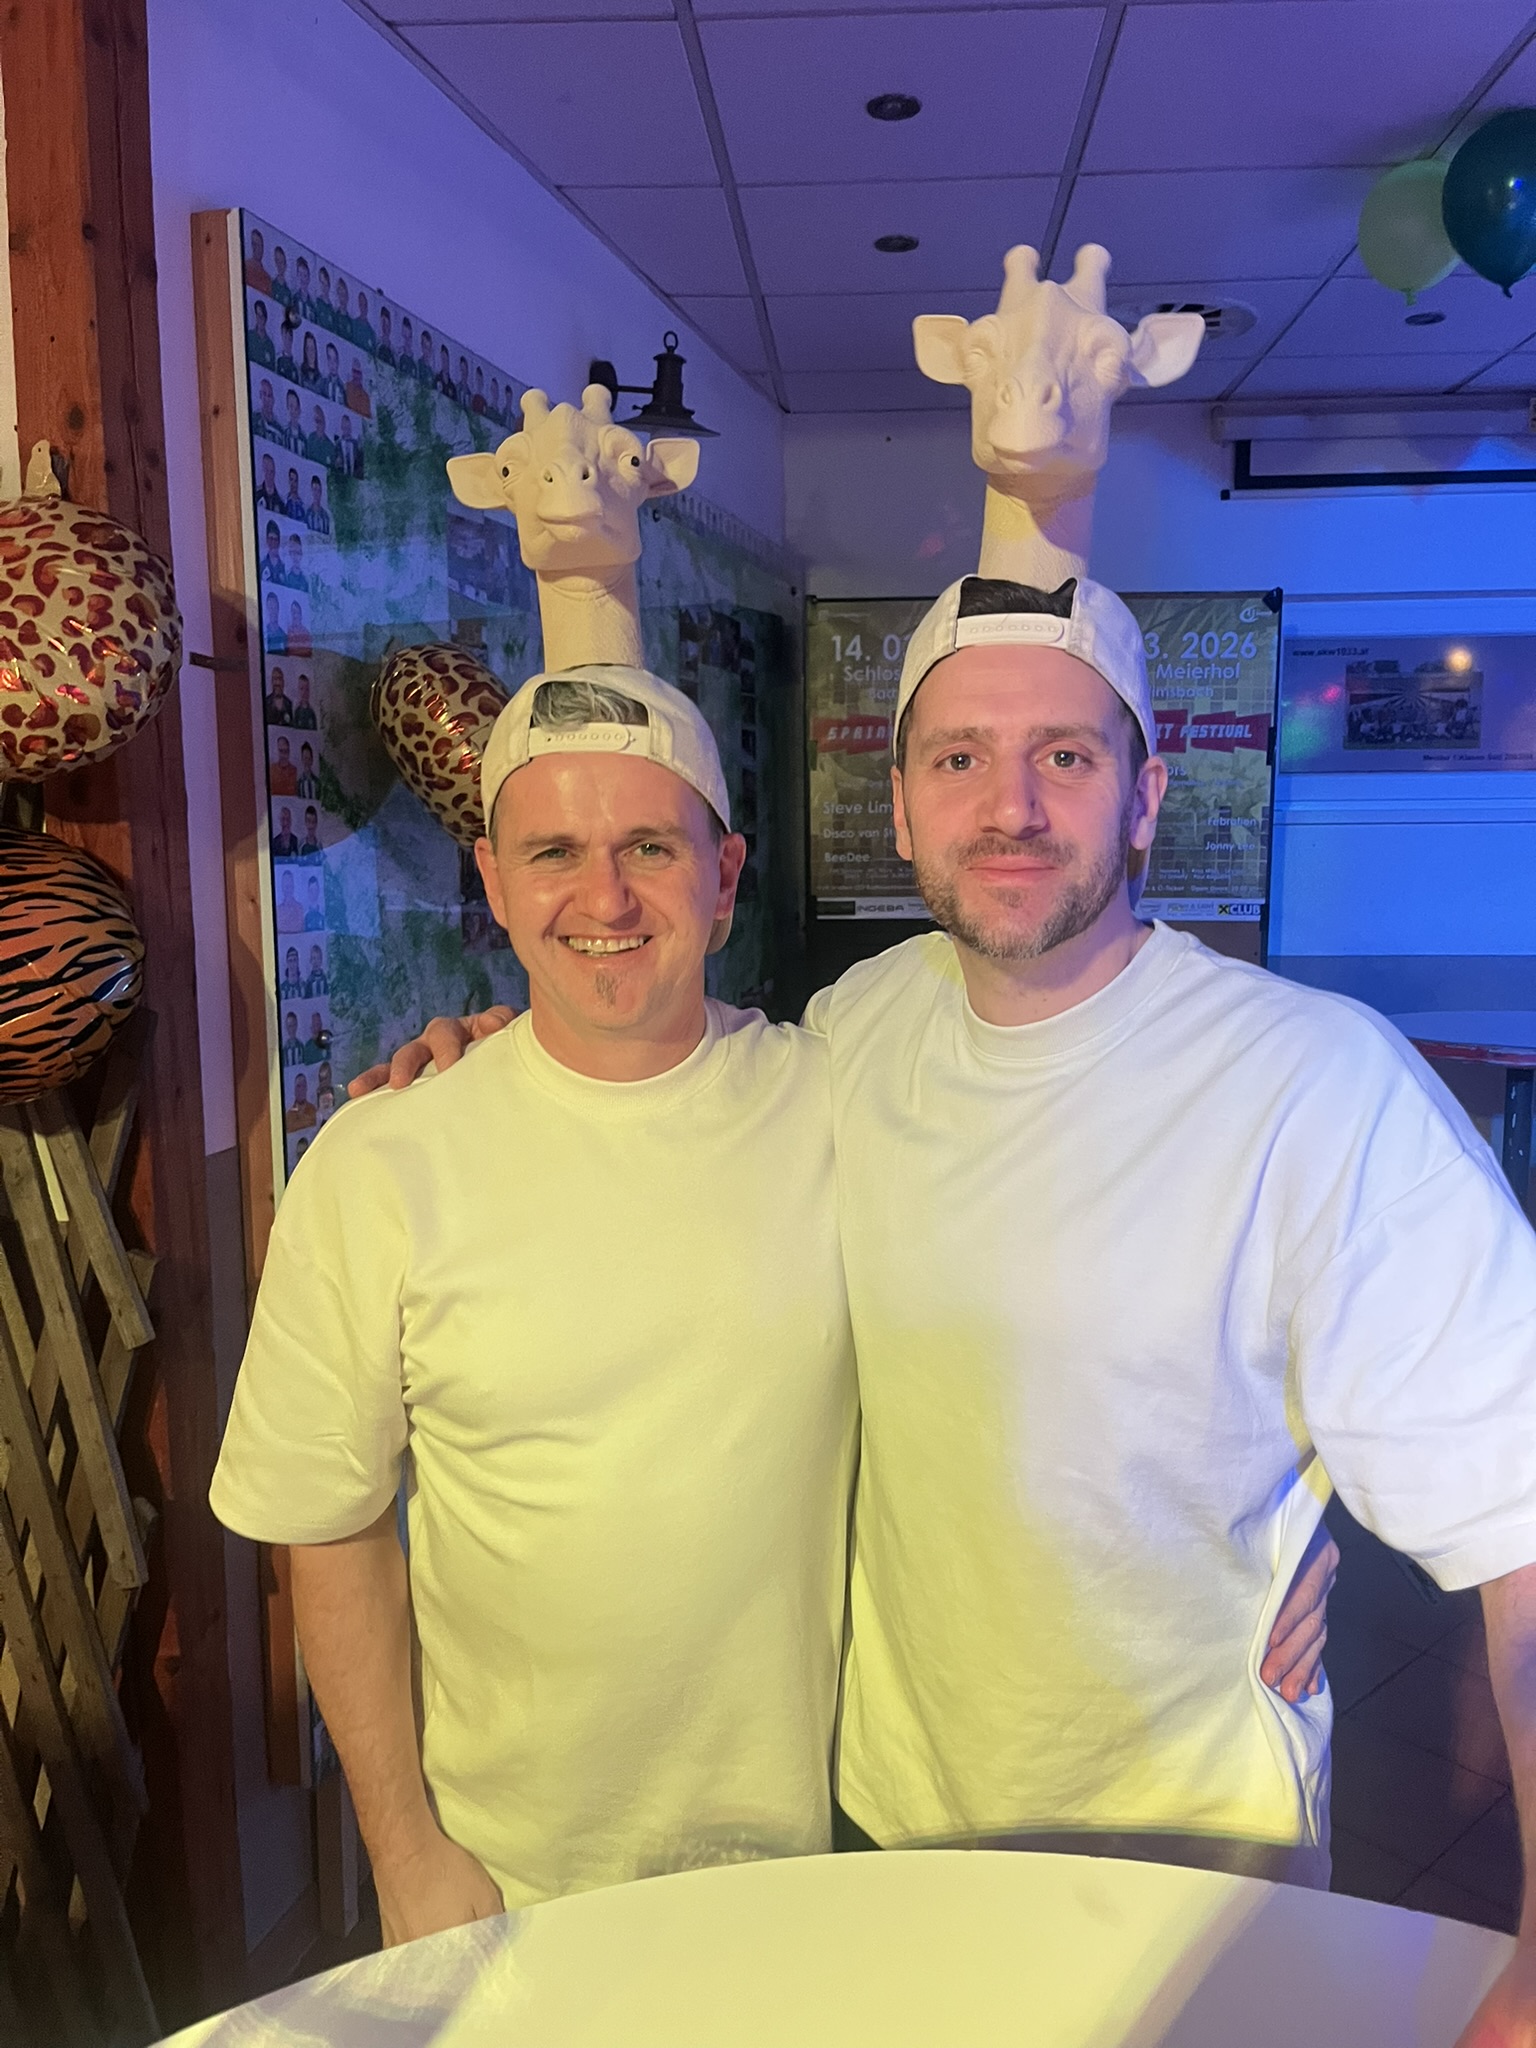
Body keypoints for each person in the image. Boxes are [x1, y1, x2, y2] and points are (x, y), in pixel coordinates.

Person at [368, 580, 1536, 2016]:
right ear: (904, 809)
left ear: (1145, 798)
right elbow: (649, 1103)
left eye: (1066, 755)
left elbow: (1521, 1518)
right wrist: (492, 1064)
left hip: (1186, 1857)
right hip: (885, 1828)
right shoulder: (856, 1033)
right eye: (960, 757)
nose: (1011, 808)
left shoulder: (1320, 1086)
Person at [210, 666, 859, 1940]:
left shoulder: (842, 1104)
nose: (603, 897)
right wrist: (404, 1850)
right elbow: (330, 1529)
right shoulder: (382, 1160)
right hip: (506, 1878)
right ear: (494, 883)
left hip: (809, 1862)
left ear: (724, 877)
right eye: (554, 851)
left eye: (649, 847)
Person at [248, 298, 276, 369]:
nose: (260, 319)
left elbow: (272, 369)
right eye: (258, 315)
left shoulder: (270, 345)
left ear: (265, 318)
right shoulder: (249, 336)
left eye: (262, 316)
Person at [336, 413, 363, 479]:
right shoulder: (338, 444)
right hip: (342, 478)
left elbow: (359, 461)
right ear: (341, 427)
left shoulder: (355, 443)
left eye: (348, 426)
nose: (346, 428)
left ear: (350, 427)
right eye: (344, 426)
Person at [245, 229, 272, 294]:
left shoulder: (267, 278)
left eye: (259, 245)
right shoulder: (245, 266)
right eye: (254, 244)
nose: (256, 248)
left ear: (262, 247)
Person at [270, 243, 294, 309]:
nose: (279, 265)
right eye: (277, 261)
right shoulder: (271, 285)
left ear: (285, 264)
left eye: (281, 262)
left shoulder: (288, 292)